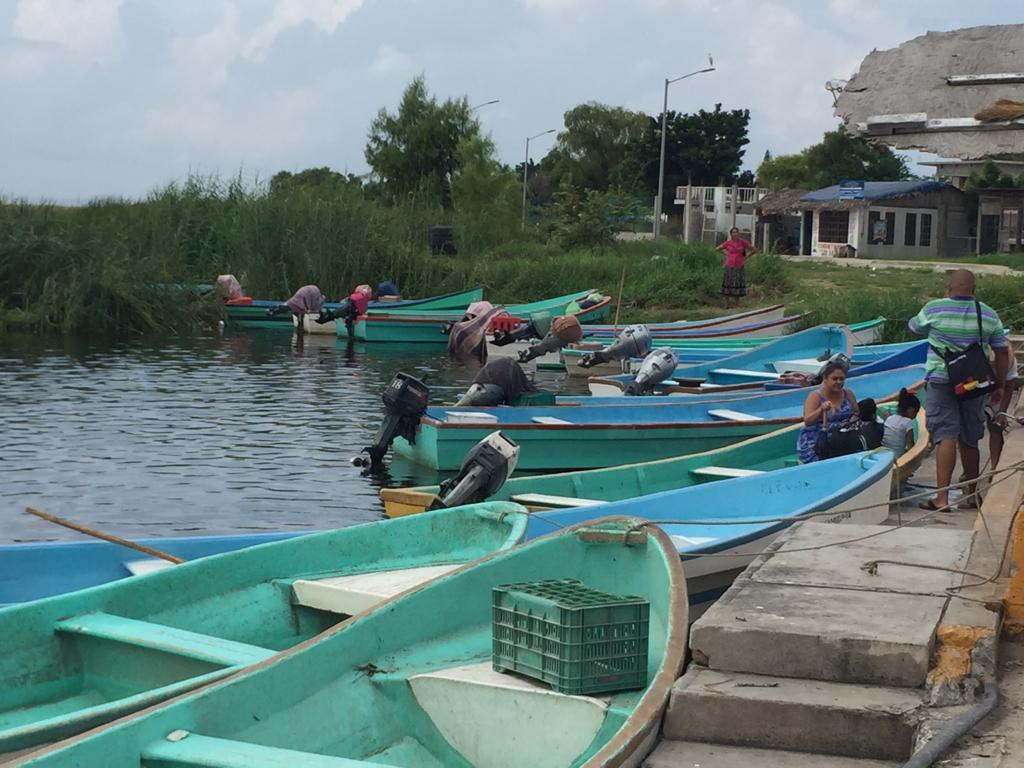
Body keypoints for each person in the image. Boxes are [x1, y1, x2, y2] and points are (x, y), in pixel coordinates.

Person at [908, 269, 1010, 511]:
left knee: (946, 436)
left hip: (942, 380)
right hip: (974, 383)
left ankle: (941, 499)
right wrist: (1000, 384)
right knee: (970, 437)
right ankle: (972, 496)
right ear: (974, 291)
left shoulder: (934, 308)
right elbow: (1002, 351)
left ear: (949, 288)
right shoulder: (987, 313)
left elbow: (914, 327)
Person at [796, 361, 860, 464]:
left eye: (841, 379)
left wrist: (852, 420)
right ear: (825, 379)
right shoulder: (815, 396)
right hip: (818, 441)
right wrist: (821, 409)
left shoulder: (848, 394)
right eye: (834, 379)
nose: (838, 382)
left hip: (842, 437)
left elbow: (856, 412)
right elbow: (808, 421)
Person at [988, 341, 1019, 470]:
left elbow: (1010, 385)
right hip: (976, 390)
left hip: (998, 394)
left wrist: (1002, 411)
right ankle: (968, 472)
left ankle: (994, 467)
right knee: (969, 433)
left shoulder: (1010, 362)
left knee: (995, 426)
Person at [716, 227, 757, 306]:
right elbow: (717, 249)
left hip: (739, 265)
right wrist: (727, 254)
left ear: (739, 233)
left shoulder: (743, 242)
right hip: (729, 265)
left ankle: (737, 303)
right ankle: (726, 304)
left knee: (738, 284)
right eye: (733, 232)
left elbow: (754, 249)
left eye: (736, 232)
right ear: (731, 234)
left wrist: (746, 257)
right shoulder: (728, 243)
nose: (735, 234)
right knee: (727, 283)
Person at [882, 388, 921, 458]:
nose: (915, 416)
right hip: (896, 457)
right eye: (916, 412)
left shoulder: (890, 418)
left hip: (884, 455)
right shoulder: (907, 422)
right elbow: (910, 446)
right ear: (911, 410)